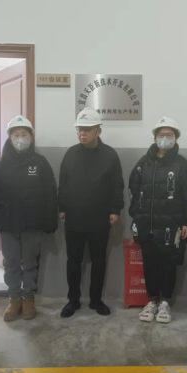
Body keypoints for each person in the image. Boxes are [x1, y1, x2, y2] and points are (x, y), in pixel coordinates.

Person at [0, 115, 58, 322]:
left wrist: (50, 221)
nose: (20, 138)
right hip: (7, 224)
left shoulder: (40, 163)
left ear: (31, 137)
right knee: (11, 263)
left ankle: (28, 298)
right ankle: (14, 298)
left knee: (30, 263)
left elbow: (50, 194)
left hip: (33, 223)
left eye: (24, 134)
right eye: (16, 134)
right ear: (9, 137)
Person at [128, 117, 187, 324]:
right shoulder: (143, 164)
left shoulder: (184, 165)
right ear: (155, 137)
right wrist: (136, 215)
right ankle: (152, 300)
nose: (165, 139)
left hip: (173, 227)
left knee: (169, 265)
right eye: (161, 135)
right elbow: (133, 191)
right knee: (149, 264)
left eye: (169, 135)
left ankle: (166, 302)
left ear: (176, 138)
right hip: (147, 226)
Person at [58, 107, 124, 318]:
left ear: (98, 131)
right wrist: (62, 207)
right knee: (73, 261)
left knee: (99, 261)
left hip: (100, 217)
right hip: (74, 217)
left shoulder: (110, 155)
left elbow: (117, 186)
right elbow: (63, 184)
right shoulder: (71, 154)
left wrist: (115, 209)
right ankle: (73, 300)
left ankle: (96, 300)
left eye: (87, 129)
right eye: (79, 129)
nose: (82, 133)